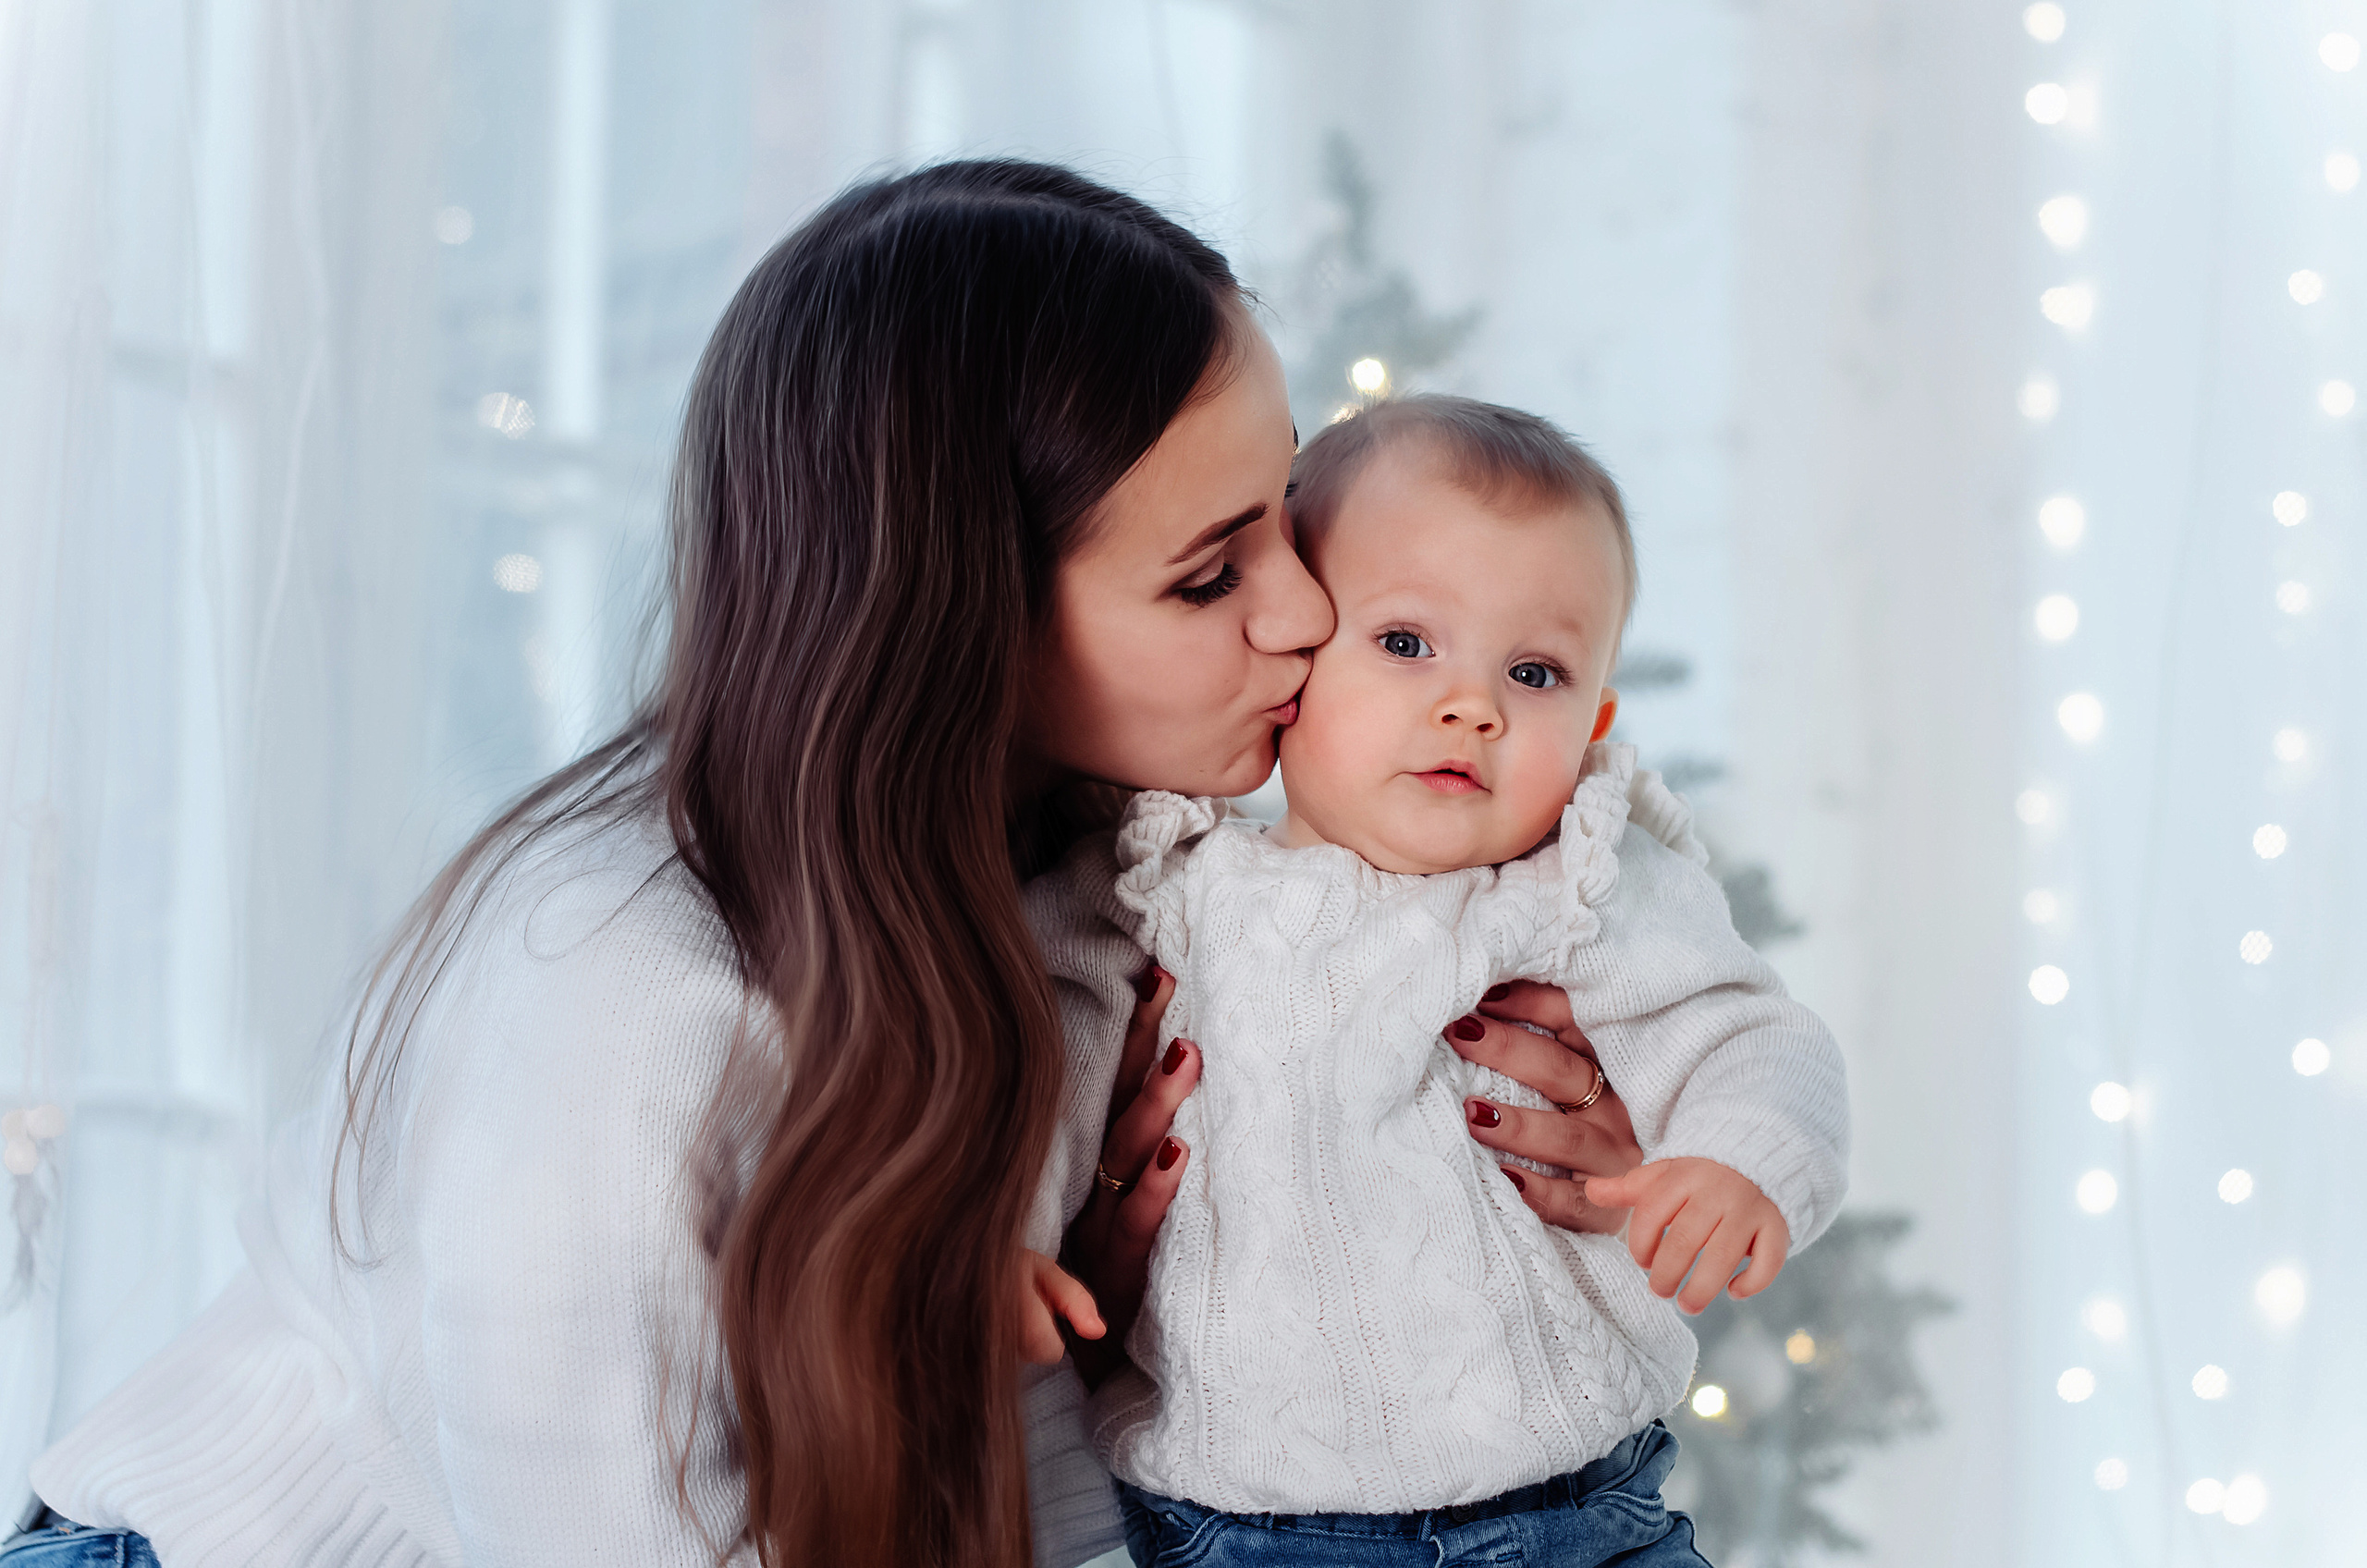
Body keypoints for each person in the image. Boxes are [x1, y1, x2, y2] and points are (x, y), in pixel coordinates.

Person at [13, 167, 1646, 1568]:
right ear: (961, 616)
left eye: (1284, 517)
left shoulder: (1120, 880)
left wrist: (1531, 1172)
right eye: (1209, 573)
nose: (1305, 613)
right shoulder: (618, 987)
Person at [1034, 396, 1851, 1566]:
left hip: (1571, 1510)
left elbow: (1748, 1033)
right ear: (1295, 661)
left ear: (1595, 724)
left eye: (1534, 670)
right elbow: (1042, 1053)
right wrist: (1010, 1235)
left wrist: (1740, 1160)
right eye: (1407, 643)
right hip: (1246, 1530)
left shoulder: (1574, 887)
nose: (1472, 705)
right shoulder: (1168, 879)